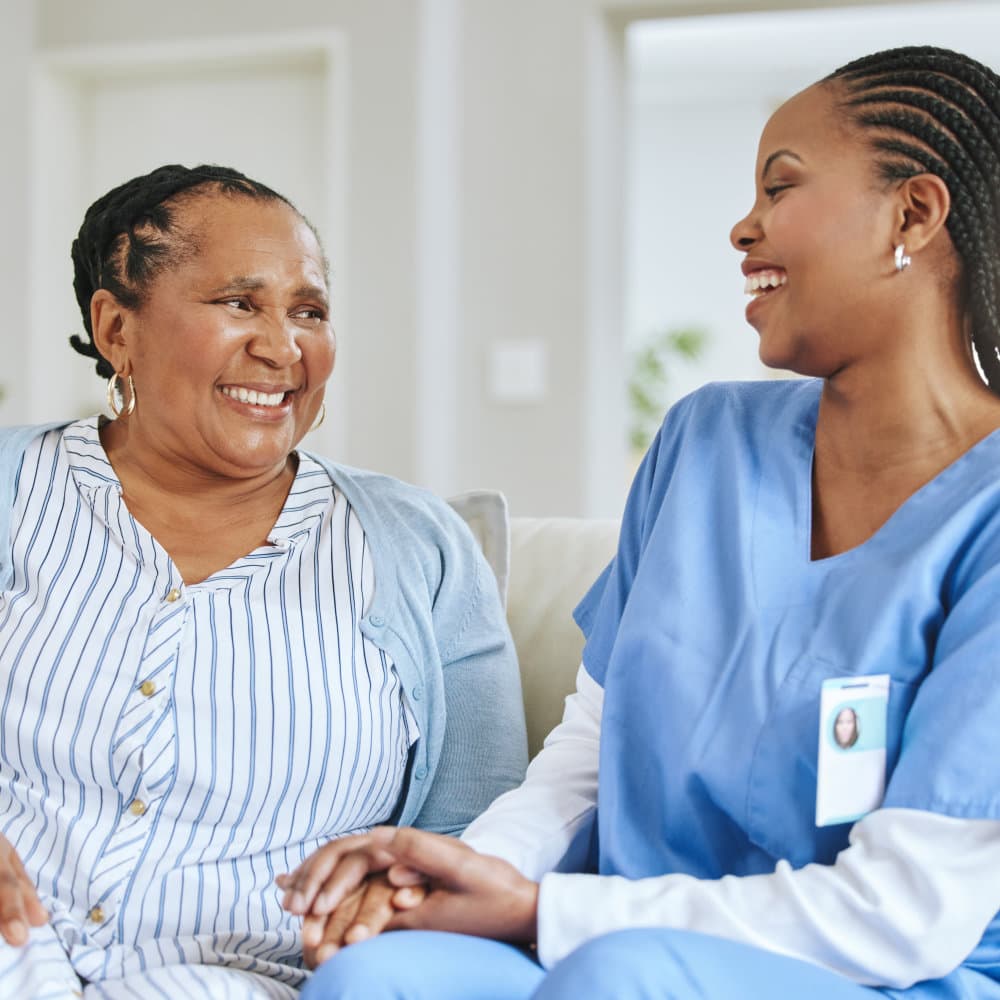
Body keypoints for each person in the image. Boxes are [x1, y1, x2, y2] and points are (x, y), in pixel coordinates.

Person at [280, 45, 1000, 999]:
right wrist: (460, 874)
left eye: (780, 187)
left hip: (873, 971)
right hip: (613, 929)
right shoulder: (708, 443)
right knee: (376, 980)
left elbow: (901, 918)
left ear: (913, 212)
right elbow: (590, 743)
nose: (744, 227)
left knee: (621, 980)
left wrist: (548, 915)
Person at [0, 164, 527, 998]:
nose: (283, 347)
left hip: (243, 978)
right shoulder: (13, 488)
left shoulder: (418, 548)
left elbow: (482, 823)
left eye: (308, 312)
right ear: (116, 329)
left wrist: (393, 894)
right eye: (239, 303)